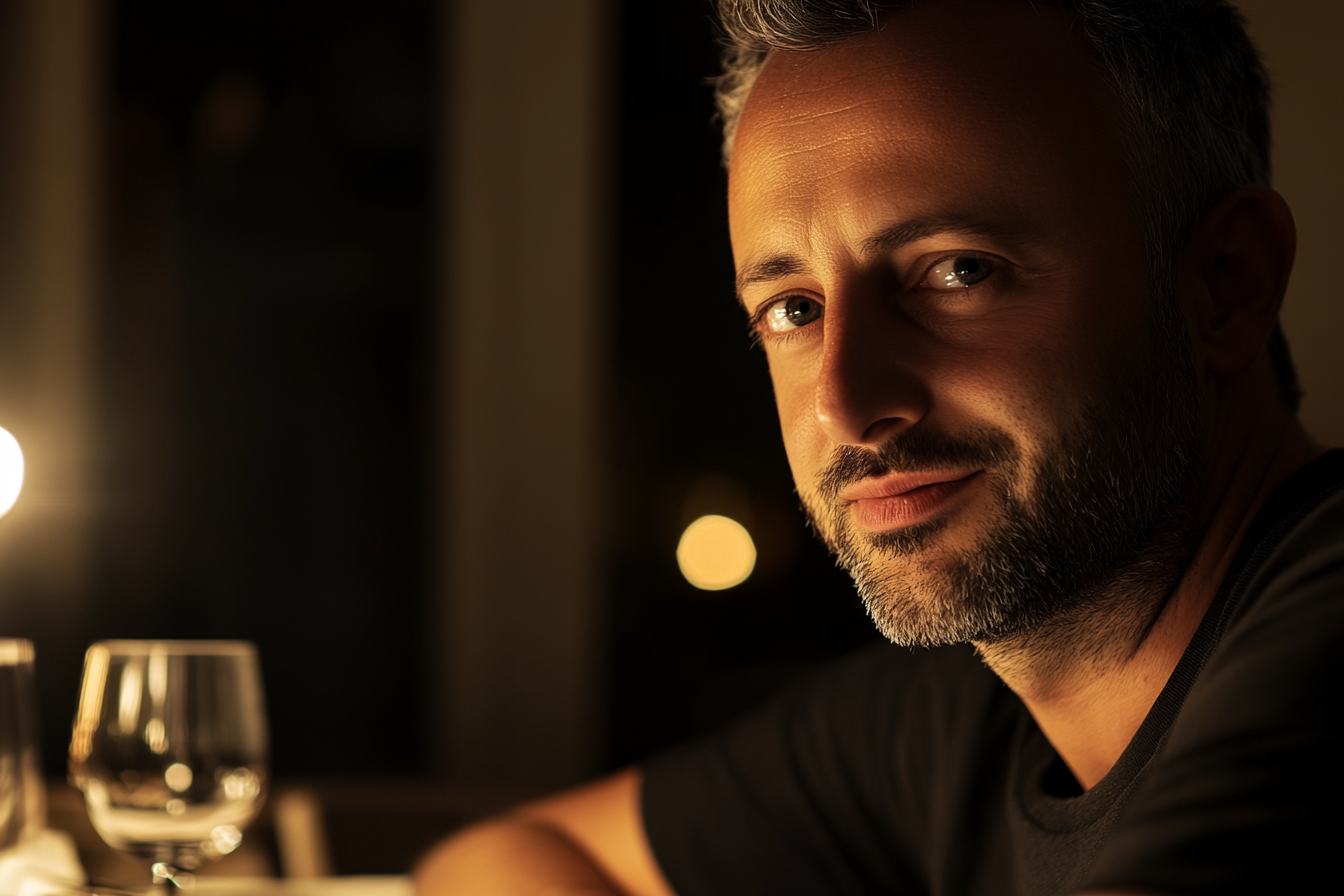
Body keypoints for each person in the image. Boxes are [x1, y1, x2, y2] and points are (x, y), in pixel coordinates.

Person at [415, 0, 1344, 893]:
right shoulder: (958, 718)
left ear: (1227, 283)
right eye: (793, 309)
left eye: (956, 271)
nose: (848, 406)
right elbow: (501, 859)